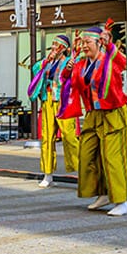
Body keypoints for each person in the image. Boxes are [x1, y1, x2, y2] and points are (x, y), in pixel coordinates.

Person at [74, 25, 127, 216]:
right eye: (82, 43)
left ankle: (121, 200)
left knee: (112, 157)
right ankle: (103, 193)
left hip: (112, 113)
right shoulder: (82, 64)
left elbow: (122, 63)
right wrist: (67, 69)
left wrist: (111, 46)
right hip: (92, 114)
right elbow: (73, 83)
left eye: (87, 42)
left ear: (99, 43)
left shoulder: (109, 60)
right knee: (87, 155)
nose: (84, 46)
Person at [27, 35, 77, 188]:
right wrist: (46, 60)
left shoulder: (68, 62)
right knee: (47, 137)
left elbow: (74, 75)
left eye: (58, 44)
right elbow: (35, 69)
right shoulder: (48, 62)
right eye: (53, 44)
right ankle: (48, 173)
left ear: (65, 48)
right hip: (47, 100)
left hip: (62, 100)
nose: (54, 47)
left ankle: (82, 168)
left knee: (69, 134)